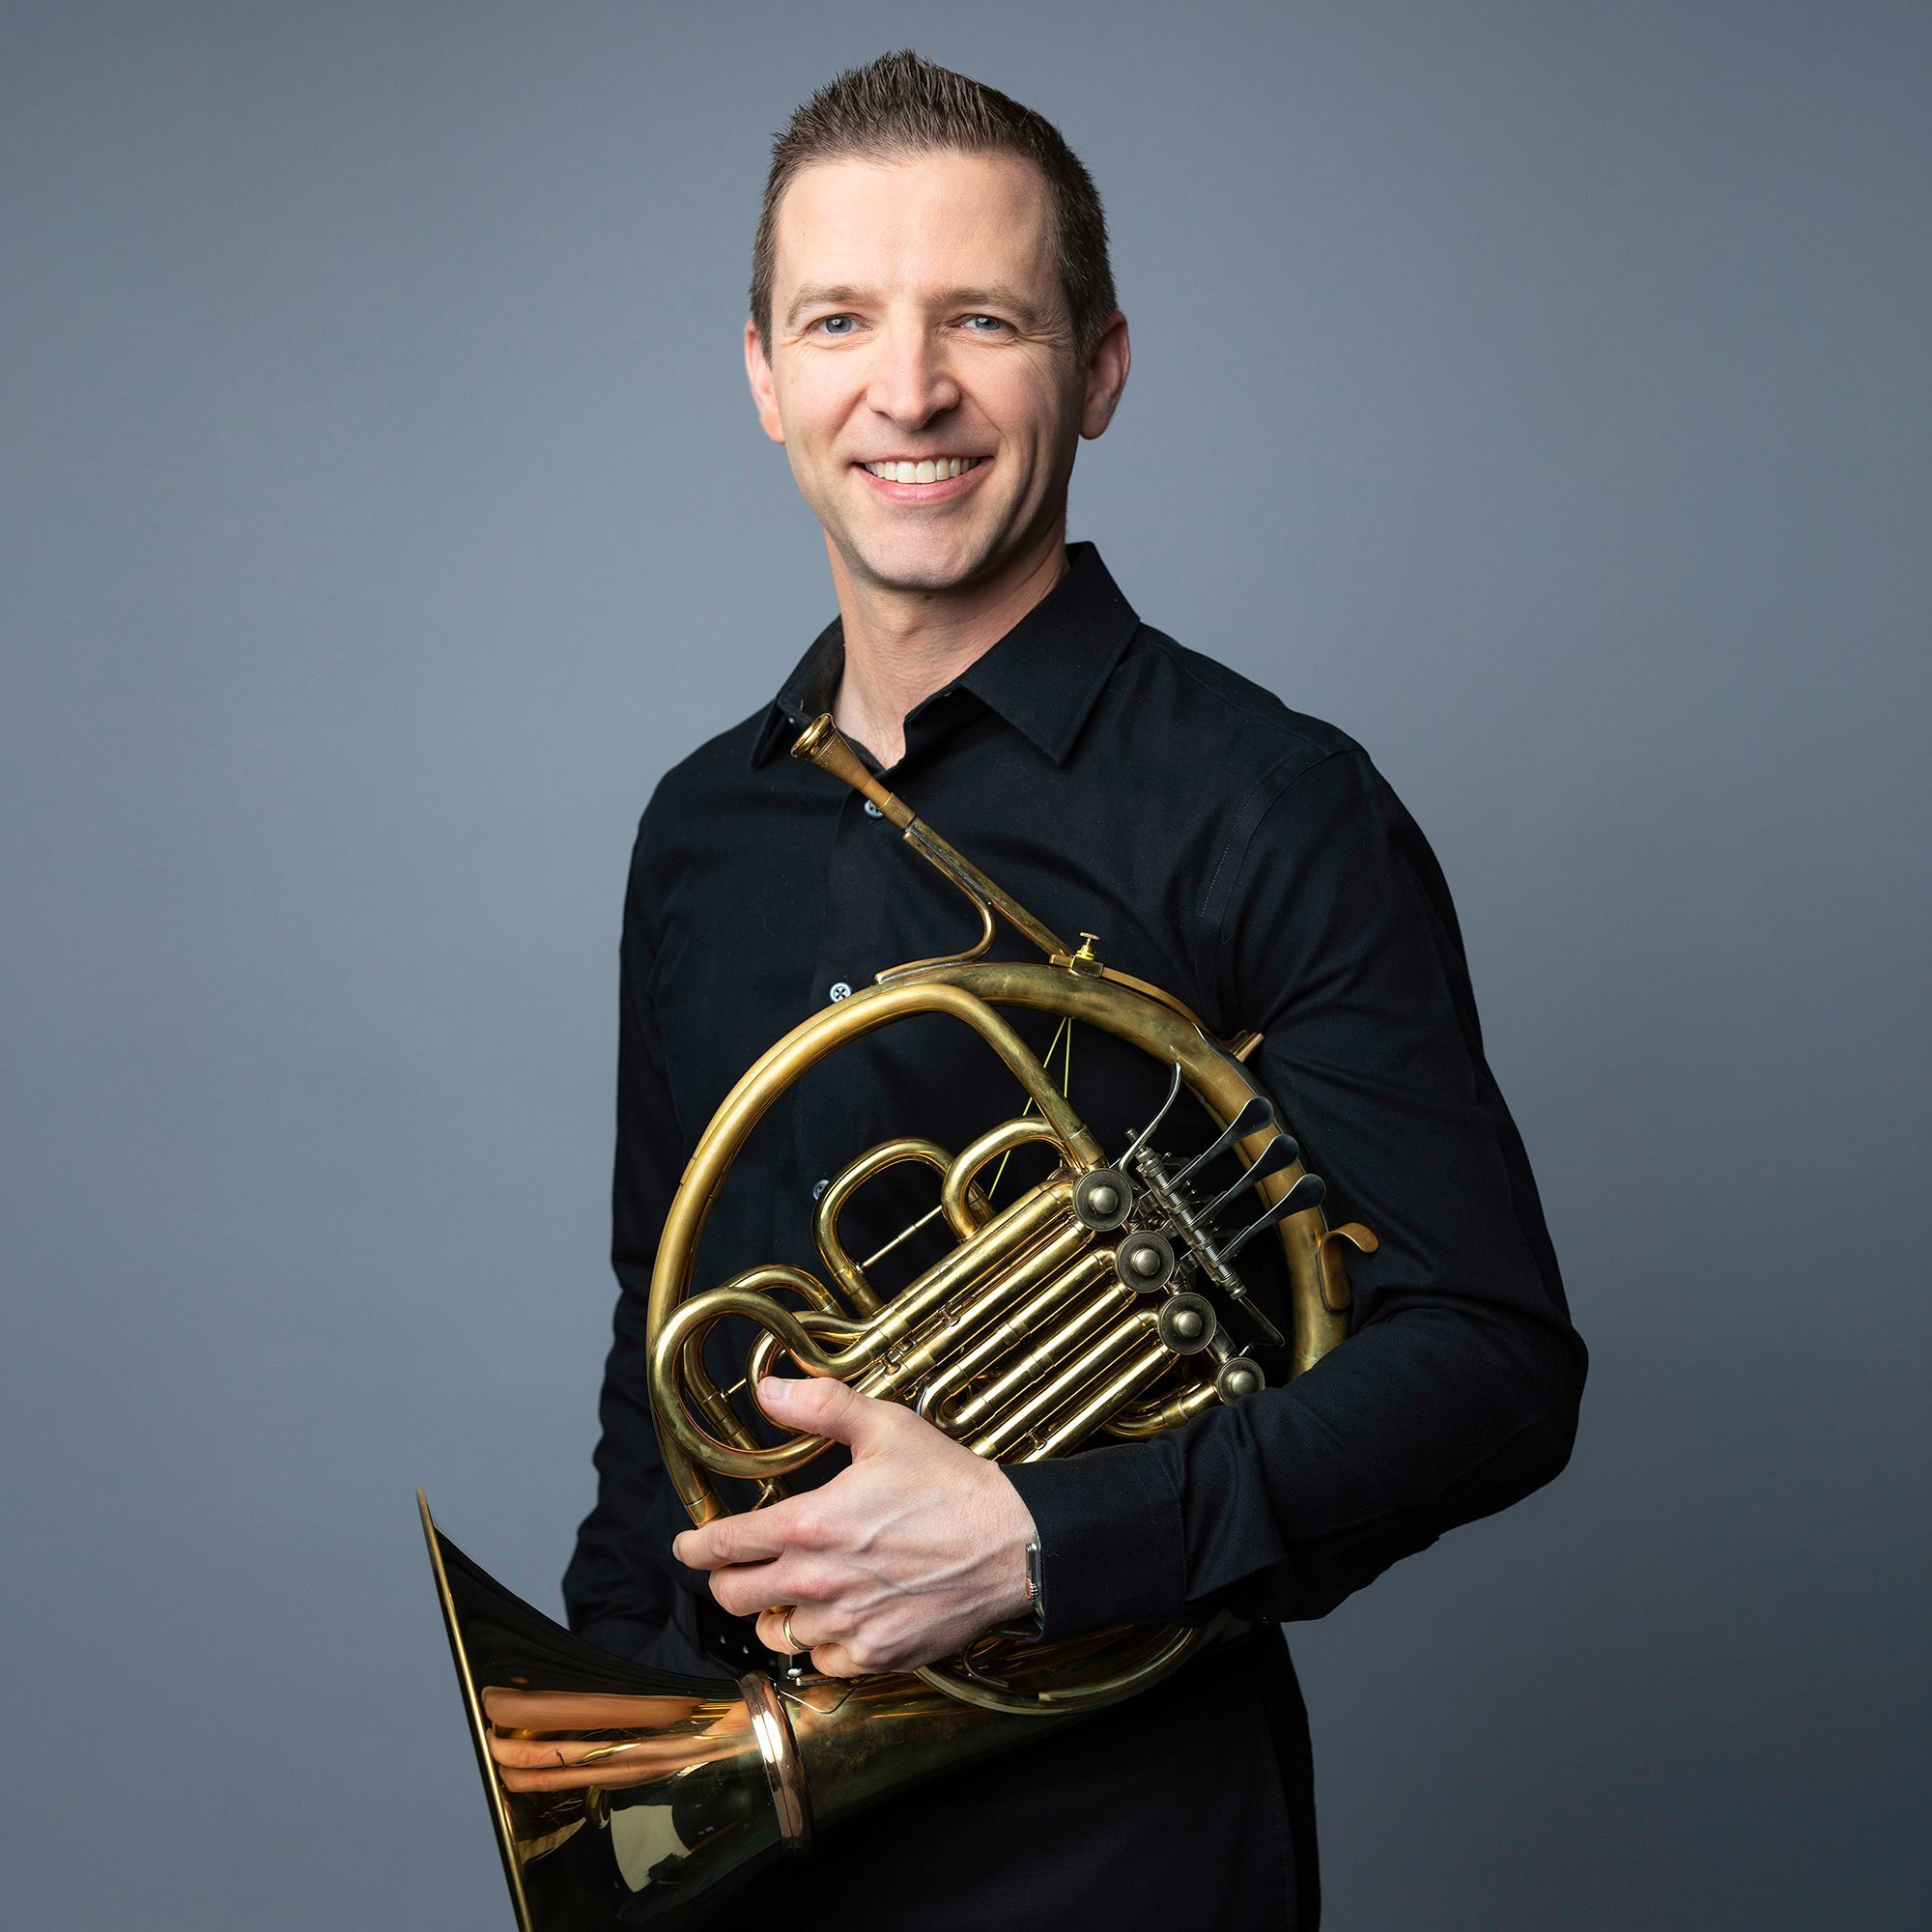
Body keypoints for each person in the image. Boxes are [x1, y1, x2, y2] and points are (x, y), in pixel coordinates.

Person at [556, 48, 1585, 1930]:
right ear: (764, 376)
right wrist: (631, 1753)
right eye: (841, 320)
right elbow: (664, 1332)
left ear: (1098, 369)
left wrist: (1039, 1537)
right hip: (752, 1842)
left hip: (1117, 1852)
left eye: (983, 319)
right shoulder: (701, 826)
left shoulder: (1269, 807)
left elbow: (1494, 1362)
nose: (909, 389)